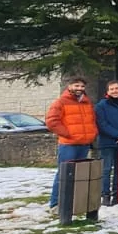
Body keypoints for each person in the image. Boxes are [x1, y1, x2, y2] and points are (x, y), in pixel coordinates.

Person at [45, 78, 97, 210]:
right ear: (69, 86)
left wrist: (92, 133)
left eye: (82, 86)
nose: (79, 88)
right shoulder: (60, 102)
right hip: (69, 145)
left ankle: (73, 202)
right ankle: (56, 203)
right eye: (76, 85)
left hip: (84, 144)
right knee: (64, 173)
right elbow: (52, 121)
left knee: (79, 175)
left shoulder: (87, 102)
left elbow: (92, 120)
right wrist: (68, 133)